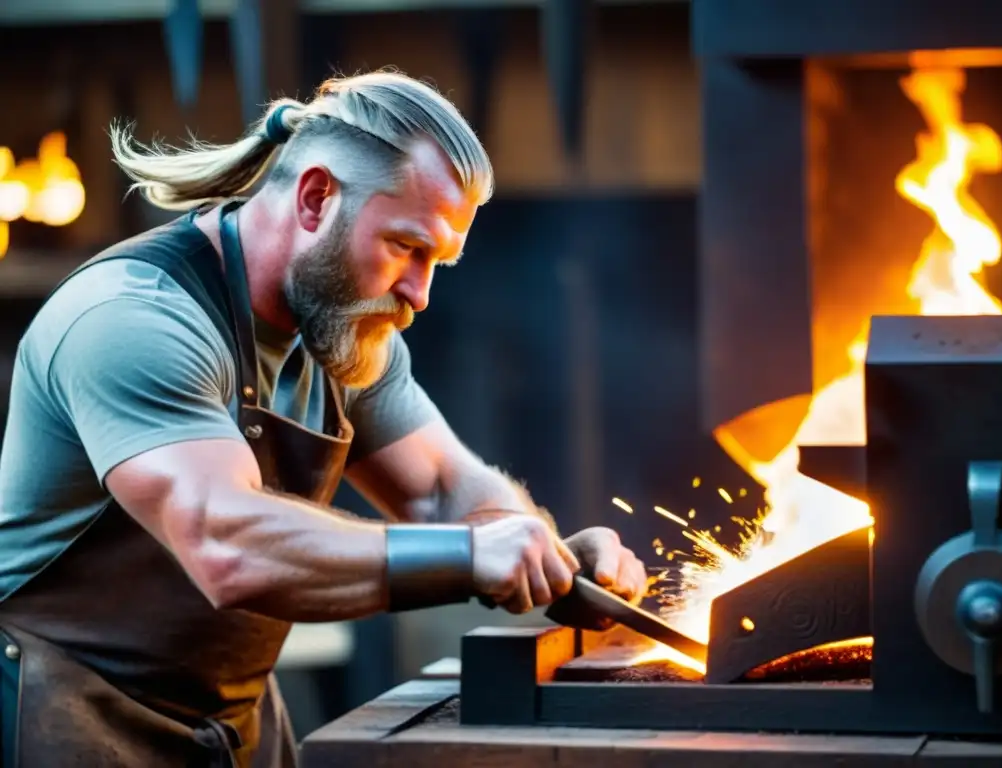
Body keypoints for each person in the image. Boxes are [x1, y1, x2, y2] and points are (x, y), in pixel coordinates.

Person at [0, 70, 648, 767]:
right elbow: (226, 543)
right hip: (58, 718)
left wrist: (541, 551)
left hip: (232, 728)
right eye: (407, 247)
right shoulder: (133, 318)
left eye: (439, 261)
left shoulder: (347, 334)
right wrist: (470, 558)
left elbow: (438, 490)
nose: (420, 294)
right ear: (315, 198)